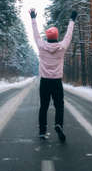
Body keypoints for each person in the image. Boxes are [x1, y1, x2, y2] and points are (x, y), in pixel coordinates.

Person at [29, 8, 77, 142]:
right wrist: (72, 20)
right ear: (56, 36)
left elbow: (36, 35)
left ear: (47, 36)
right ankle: (58, 124)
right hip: (56, 82)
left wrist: (33, 18)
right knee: (59, 106)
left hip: (44, 81)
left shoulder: (42, 46)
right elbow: (68, 35)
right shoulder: (61, 47)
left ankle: (42, 131)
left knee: (43, 106)